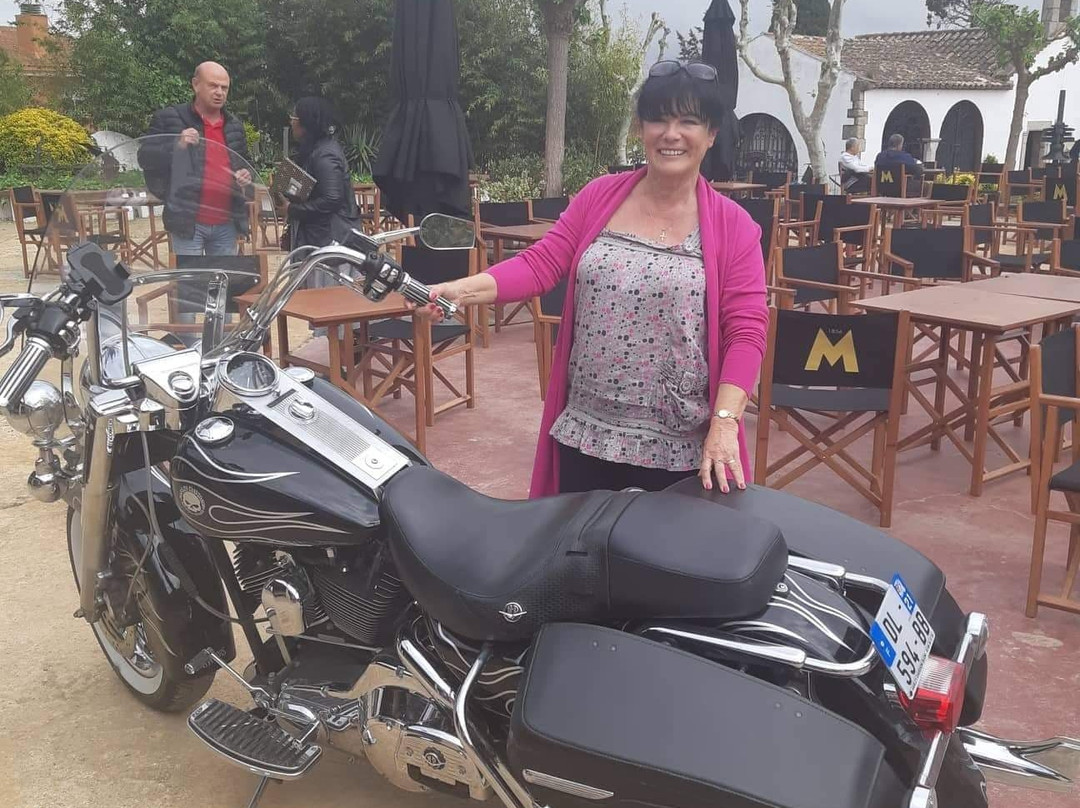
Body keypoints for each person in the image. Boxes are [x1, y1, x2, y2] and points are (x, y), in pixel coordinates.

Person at [415, 59, 768, 498]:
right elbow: (540, 264)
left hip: (679, 449)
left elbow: (746, 331)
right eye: (658, 119)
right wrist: (460, 290)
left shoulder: (734, 226)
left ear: (711, 134)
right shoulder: (600, 196)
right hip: (586, 433)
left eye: (688, 121)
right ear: (641, 128)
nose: (671, 133)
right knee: (575, 543)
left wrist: (725, 421)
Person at [138, 61, 253, 257]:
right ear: (195, 84)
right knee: (191, 277)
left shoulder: (234, 125)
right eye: (213, 86)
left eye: (224, 88)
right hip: (187, 221)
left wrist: (246, 174)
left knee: (222, 276)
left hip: (227, 222)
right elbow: (145, 157)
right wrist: (176, 144)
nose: (219, 92)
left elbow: (245, 162)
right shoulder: (170, 118)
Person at [284, 96, 358, 261]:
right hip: (317, 237)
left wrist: (292, 209)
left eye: (293, 117)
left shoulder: (326, 155)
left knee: (322, 280)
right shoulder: (313, 150)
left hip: (329, 242)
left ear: (304, 122)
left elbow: (332, 199)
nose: (291, 122)